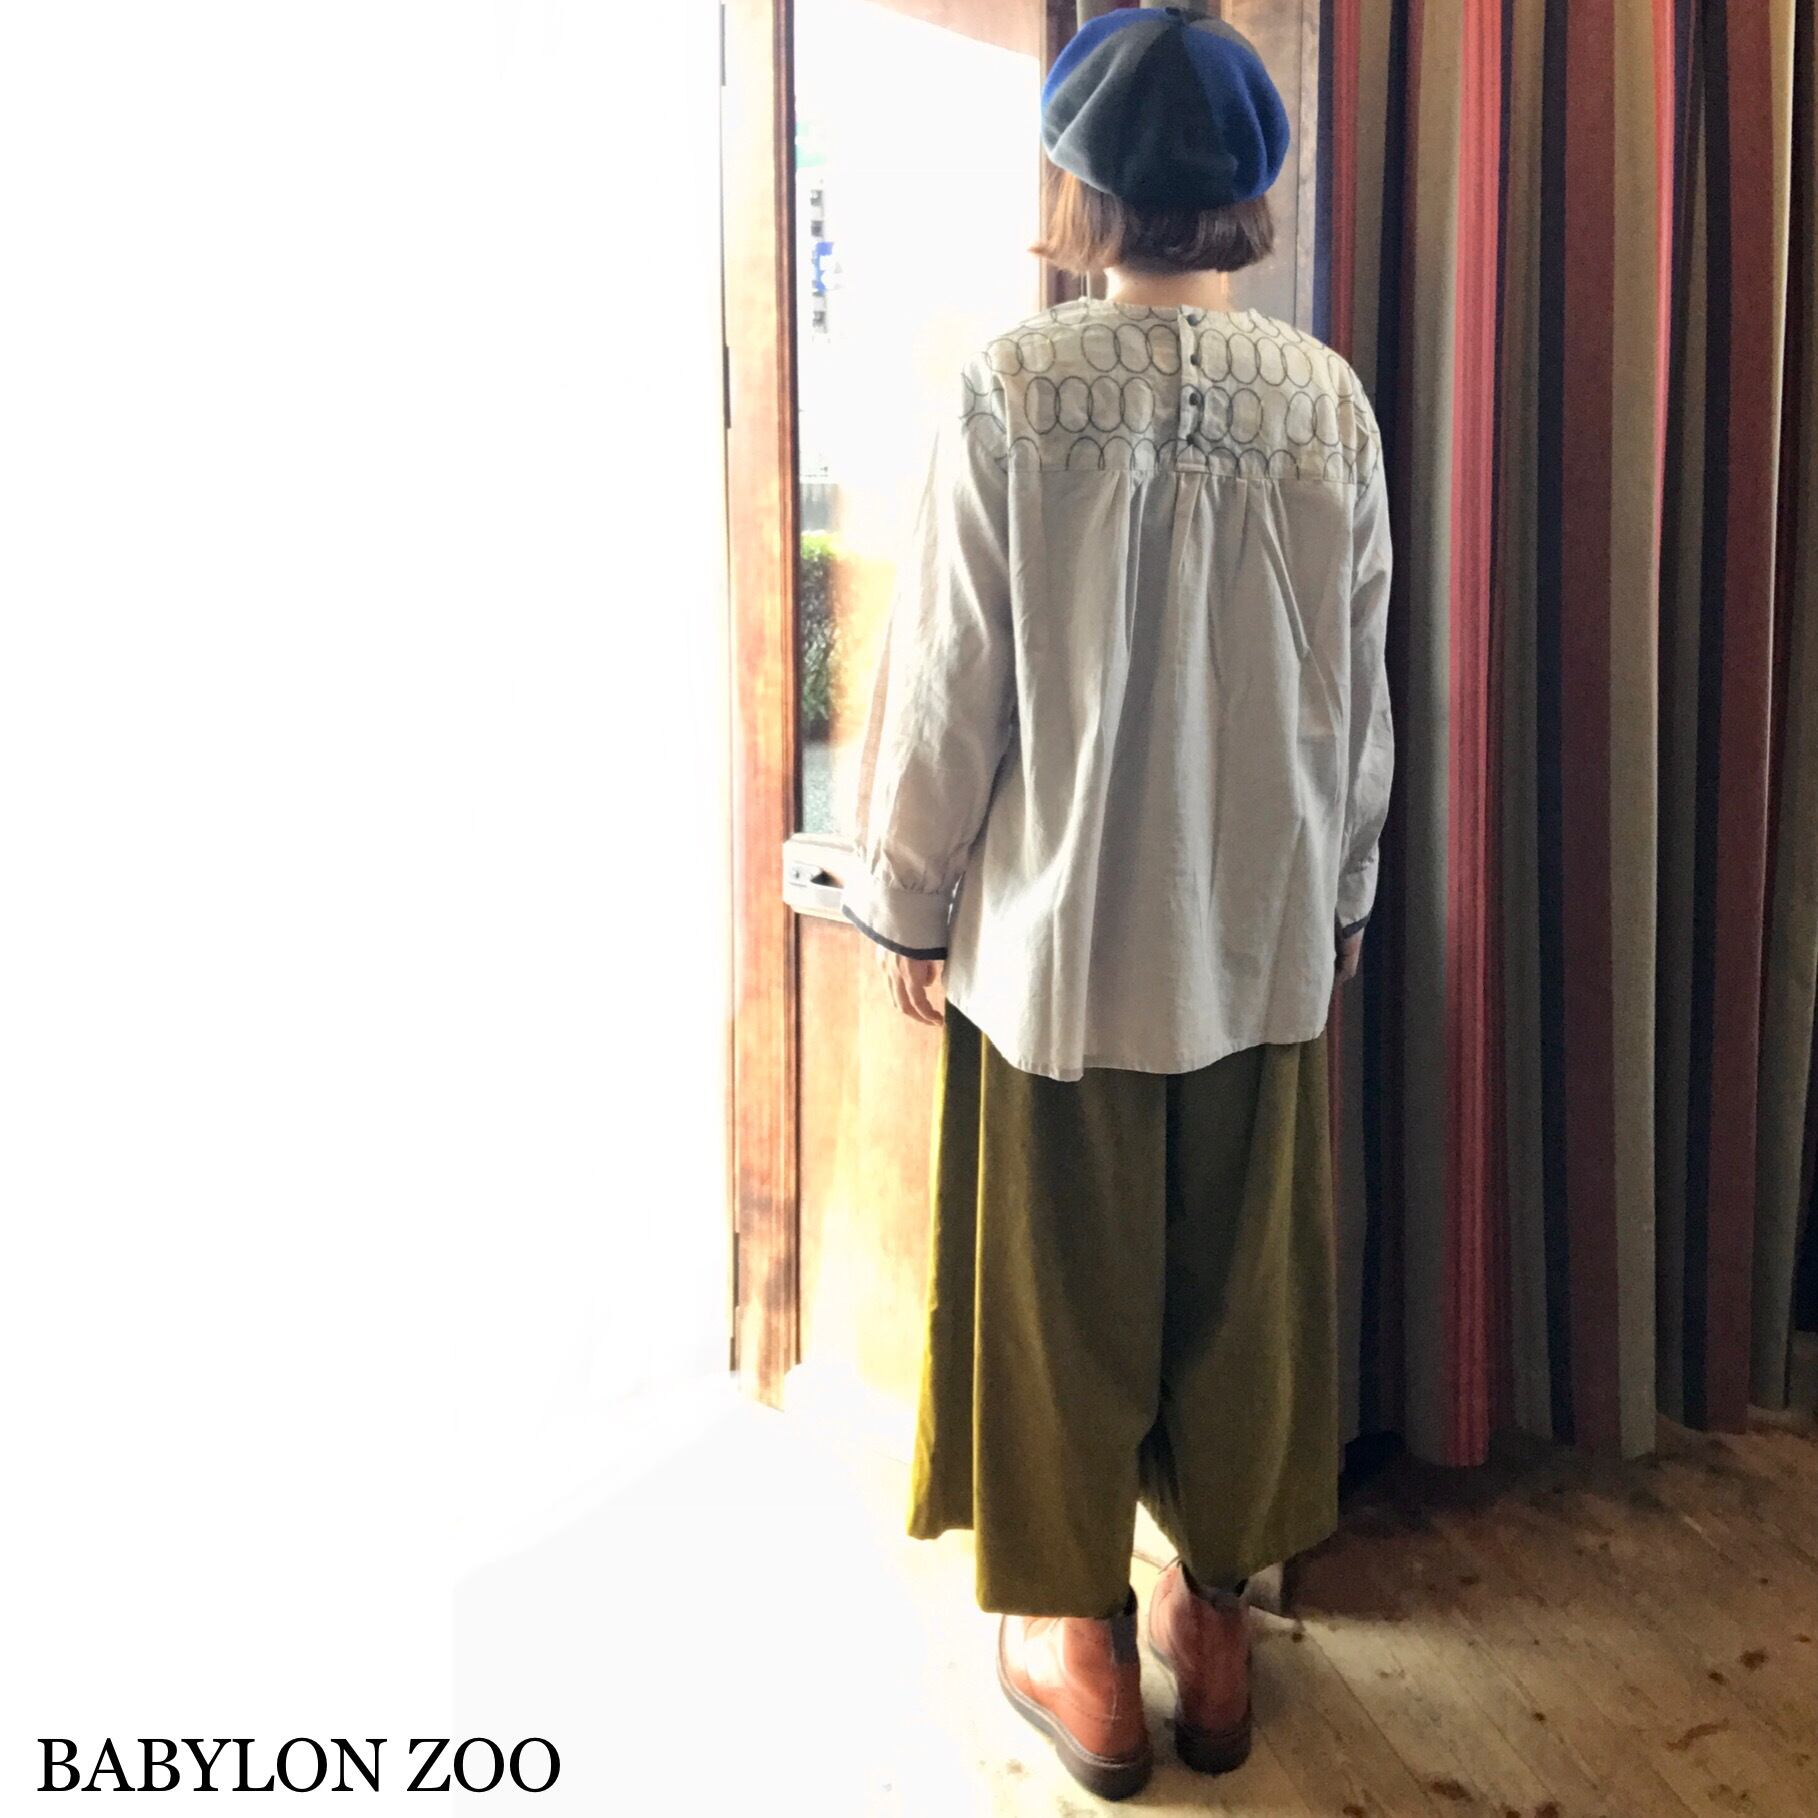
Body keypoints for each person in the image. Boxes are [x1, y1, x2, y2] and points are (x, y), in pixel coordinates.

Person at [839, 7, 1393, 1801]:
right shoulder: (1325, 401)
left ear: (1076, 185)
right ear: (1248, 190)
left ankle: (1079, 1653)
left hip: (1058, 954)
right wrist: (1347, 890)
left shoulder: (1012, 390)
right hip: (1259, 935)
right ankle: (1212, 1630)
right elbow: (1357, 697)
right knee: (1241, 1296)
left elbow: (949, 687)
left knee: (1056, 1308)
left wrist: (907, 899)